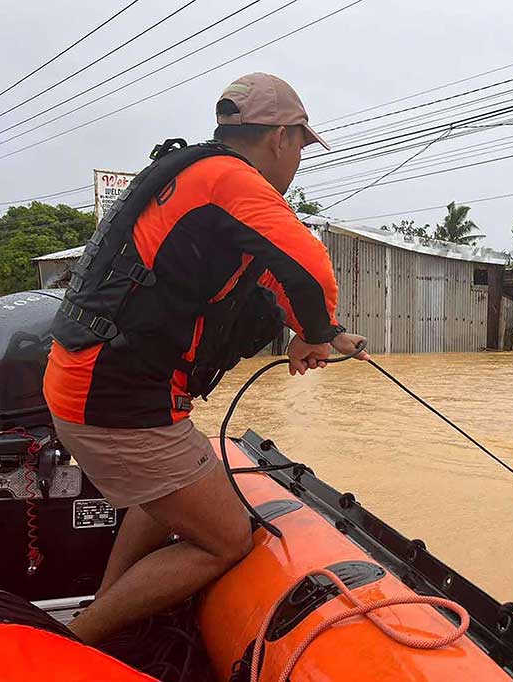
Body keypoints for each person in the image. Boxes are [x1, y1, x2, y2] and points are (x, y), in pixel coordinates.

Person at [42, 73, 368, 645]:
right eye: (300, 146)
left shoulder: (196, 177)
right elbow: (308, 264)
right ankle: (80, 641)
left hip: (86, 383)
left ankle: (104, 602)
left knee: (166, 495)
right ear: (282, 139)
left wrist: (324, 333)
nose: (297, 161)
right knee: (226, 539)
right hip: (118, 400)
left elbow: (269, 275)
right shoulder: (229, 181)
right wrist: (316, 332)